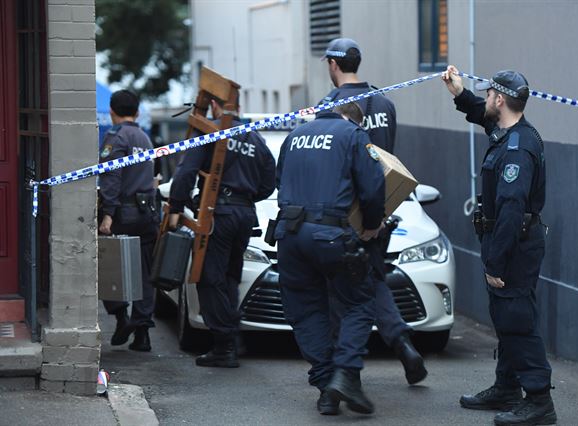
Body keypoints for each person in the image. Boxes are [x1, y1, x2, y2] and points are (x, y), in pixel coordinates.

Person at [442, 65, 556, 425]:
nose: (486, 99)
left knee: (516, 319)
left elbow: (510, 210)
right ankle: (507, 387)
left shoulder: (518, 149)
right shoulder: (506, 132)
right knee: (507, 317)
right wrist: (459, 92)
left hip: (513, 244)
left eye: (489, 94)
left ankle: (539, 400)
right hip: (508, 240)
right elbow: (480, 113)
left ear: (501, 99)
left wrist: (495, 262)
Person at [320, 37, 427, 385]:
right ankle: (402, 342)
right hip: (378, 209)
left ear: (333, 65)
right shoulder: (385, 102)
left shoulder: (327, 106)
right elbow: (388, 161)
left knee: (341, 294)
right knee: (374, 280)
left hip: (342, 212)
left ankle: (344, 376)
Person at [274, 102, 385, 416]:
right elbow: (373, 186)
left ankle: (326, 390)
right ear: (346, 114)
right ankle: (346, 375)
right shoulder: (353, 134)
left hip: (290, 235)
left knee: (306, 309)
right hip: (331, 234)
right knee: (359, 302)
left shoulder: (294, 136)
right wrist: (372, 224)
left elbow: (279, 181)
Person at [168, 98, 276, 368]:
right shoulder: (255, 137)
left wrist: (177, 206)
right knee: (229, 276)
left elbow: (186, 172)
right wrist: (245, 196)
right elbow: (268, 184)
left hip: (219, 214)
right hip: (244, 214)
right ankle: (229, 335)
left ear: (214, 103)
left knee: (208, 277)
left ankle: (225, 341)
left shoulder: (208, 130)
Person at [99, 89, 159, 352]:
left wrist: (108, 214)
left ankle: (122, 317)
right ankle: (142, 334)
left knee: (110, 266)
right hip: (147, 214)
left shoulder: (116, 137)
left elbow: (111, 177)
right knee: (146, 273)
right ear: (136, 112)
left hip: (123, 212)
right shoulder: (145, 138)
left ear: (112, 111)